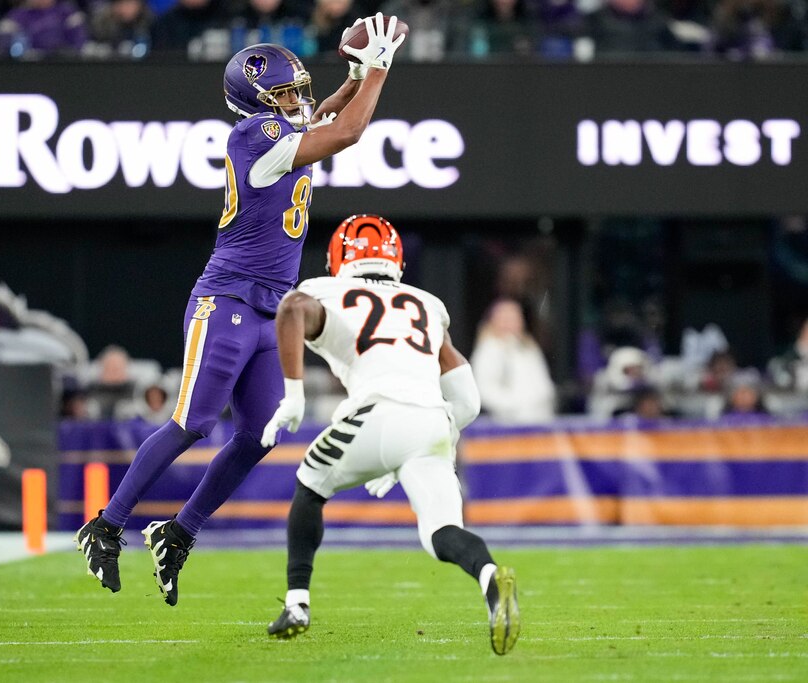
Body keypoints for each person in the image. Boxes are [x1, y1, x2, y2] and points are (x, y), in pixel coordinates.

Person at [74, 15, 408, 604]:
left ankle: (179, 532)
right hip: (226, 297)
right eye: (285, 93)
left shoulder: (281, 129)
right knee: (194, 421)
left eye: (297, 91)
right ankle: (105, 524)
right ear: (256, 100)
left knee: (259, 434)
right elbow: (345, 133)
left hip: (271, 306)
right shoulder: (254, 134)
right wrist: (377, 70)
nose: (298, 101)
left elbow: (326, 117)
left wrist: (356, 77)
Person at [259, 215, 520, 655]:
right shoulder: (426, 303)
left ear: (339, 259)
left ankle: (297, 604)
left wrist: (294, 395)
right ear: (396, 259)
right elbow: (469, 402)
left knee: (310, 484)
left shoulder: (326, 290)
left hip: (377, 411)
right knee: (441, 532)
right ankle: (492, 579)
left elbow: (289, 310)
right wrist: (420, 443)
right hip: (433, 421)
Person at [470, 298, 556, 424]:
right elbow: (484, 390)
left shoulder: (529, 348)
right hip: (506, 426)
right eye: (505, 318)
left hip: (539, 421)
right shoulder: (489, 349)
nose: (510, 323)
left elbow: (543, 384)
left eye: (515, 318)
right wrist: (516, 405)